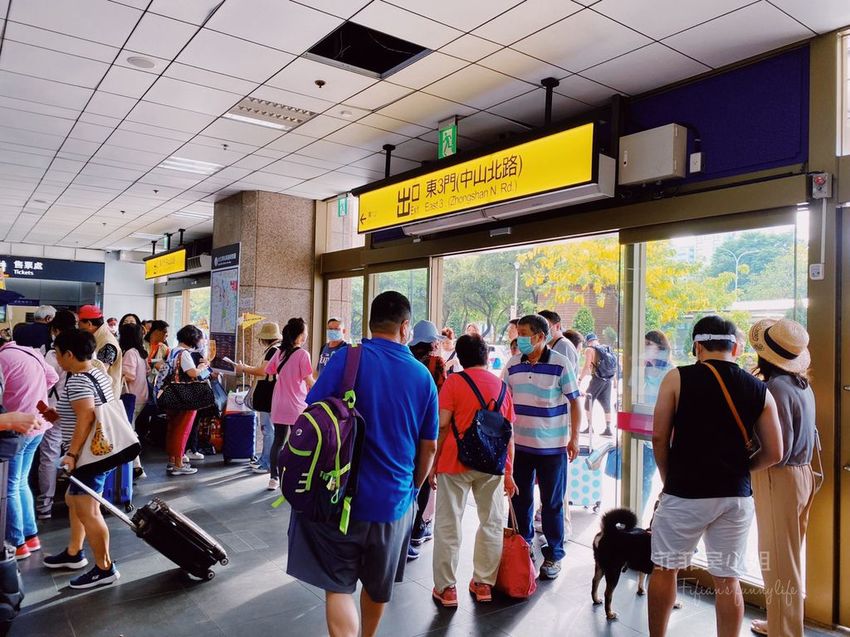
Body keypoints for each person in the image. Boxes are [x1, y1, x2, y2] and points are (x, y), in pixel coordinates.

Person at [287, 291, 438, 637]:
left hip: (338, 493)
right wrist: (412, 490)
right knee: (377, 584)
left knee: (338, 585)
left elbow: (315, 414)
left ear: (370, 324)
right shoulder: (422, 377)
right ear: (405, 327)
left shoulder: (345, 359)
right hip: (393, 502)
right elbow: (428, 448)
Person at [648, 315, 783, 637]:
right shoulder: (759, 389)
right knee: (727, 579)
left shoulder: (677, 378)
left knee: (666, 568)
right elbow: (775, 451)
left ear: (697, 346)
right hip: (735, 497)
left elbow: (658, 437)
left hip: (685, 494)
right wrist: (738, 469)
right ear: (735, 347)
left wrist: (669, 477)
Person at [430, 334, 516, 607]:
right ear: (486, 356)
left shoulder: (454, 382)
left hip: (455, 461)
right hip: (492, 465)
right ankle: (483, 584)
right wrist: (509, 471)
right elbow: (508, 434)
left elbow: (443, 426)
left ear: (461, 357)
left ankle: (446, 589)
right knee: (491, 522)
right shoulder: (502, 387)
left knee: (448, 523)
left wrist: (433, 462)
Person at [748, 319, 817, 637]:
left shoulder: (774, 387)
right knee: (787, 559)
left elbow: (777, 449)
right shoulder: (802, 385)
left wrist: (743, 466)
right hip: (803, 475)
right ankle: (781, 624)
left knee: (778, 563)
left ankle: (785, 632)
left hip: (780, 477)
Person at [504, 314, 582, 580]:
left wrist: (574, 438)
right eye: (518, 333)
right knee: (520, 499)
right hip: (520, 447)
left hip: (552, 447)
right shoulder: (513, 364)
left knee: (552, 503)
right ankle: (522, 547)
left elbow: (575, 401)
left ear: (540, 336)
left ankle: (554, 554)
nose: (519, 338)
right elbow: (504, 398)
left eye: (524, 333)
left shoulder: (560, 364)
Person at [43, 329, 121, 589]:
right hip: (101, 450)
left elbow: (86, 418)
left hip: (89, 454)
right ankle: (75, 551)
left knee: (86, 507)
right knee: (74, 500)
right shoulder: (95, 372)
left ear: (68, 354)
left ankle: (105, 568)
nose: (56, 358)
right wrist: (48, 414)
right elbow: (80, 415)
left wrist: (72, 454)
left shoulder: (77, 380)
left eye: (57, 353)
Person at [0, 328, 57, 559]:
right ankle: (31, 536)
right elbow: (52, 378)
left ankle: (18, 542)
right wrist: (34, 396)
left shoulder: (2, 358)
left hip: (16, 426)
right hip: (39, 424)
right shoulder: (31, 353)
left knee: (11, 485)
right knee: (21, 481)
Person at [407, 320, 446, 559]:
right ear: (432, 342)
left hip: (406, 425)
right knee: (422, 476)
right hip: (426, 427)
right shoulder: (436, 362)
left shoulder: (408, 360)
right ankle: (417, 529)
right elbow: (441, 395)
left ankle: (405, 531)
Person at [37, 310, 78, 520]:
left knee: (49, 454)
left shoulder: (54, 354)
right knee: (73, 450)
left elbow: (42, 384)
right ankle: (74, 497)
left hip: (53, 410)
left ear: (55, 329)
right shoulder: (82, 350)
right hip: (76, 409)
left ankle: (45, 503)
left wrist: (41, 409)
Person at [265, 318, 314, 491]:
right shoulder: (303, 354)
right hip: (296, 405)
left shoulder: (279, 352)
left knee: (278, 441)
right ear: (300, 335)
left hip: (279, 403)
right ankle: (293, 476)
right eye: (305, 332)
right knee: (296, 442)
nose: (306, 334)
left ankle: (273, 478)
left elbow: (269, 371)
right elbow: (309, 381)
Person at [234, 322, 282, 477]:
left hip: (267, 393)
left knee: (268, 429)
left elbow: (263, 370)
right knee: (268, 429)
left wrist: (244, 369)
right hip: (270, 393)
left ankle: (267, 462)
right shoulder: (277, 349)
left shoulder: (273, 350)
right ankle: (265, 459)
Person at [164, 325, 209, 476]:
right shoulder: (184, 354)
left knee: (173, 428)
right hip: (185, 397)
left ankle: (172, 460)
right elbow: (192, 372)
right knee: (182, 430)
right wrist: (203, 366)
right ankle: (179, 464)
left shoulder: (173, 351)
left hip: (172, 394)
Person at [119, 322, 148, 479]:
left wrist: (115, 374)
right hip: (141, 395)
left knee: (130, 431)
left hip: (132, 397)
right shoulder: (140, 352)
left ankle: (137, 467)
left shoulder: (130, 353)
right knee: (130, 429)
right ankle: (136, 466)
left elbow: (129, 376)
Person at [78, 305, 123, 399]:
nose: (79, 328)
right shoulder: (97, 337)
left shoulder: (107, 343)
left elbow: (101, 372)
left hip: (104, 398)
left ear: (89, 324)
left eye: (80, 324)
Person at [579, 333, 616, 437]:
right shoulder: (607, 348)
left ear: (587, 341)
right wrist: (615, 381)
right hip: (608, 379)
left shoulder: (590, 350)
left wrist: (580, 379)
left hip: (597, 379)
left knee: (588, 400)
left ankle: (590, 427)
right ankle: (608, 429)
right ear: (597, 339)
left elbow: (587, 366)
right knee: (606, 403)